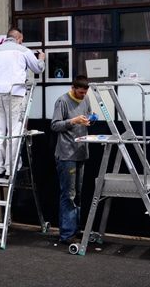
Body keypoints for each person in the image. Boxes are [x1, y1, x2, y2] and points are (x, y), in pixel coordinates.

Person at [0, 28, 45, 178]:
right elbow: (38, 68)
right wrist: (41, 58)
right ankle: (11, 169)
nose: (22, 42)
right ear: (18, 38)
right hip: (15, 93)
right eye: (21, 40)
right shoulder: (23, 50)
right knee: (15, 131)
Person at [50, 76, 93, 244]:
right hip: (66, 153)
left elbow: (88, 115)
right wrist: (73, 121)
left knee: (79, 194)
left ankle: (76, 229)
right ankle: (67, 234)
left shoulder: (87, 98)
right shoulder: (62, 101)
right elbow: (54, 125)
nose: (83, 96)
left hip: (82, 151)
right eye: (80, 93)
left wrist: (91, 119)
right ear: (73, 88)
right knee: (69, 194)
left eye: (85, 93)